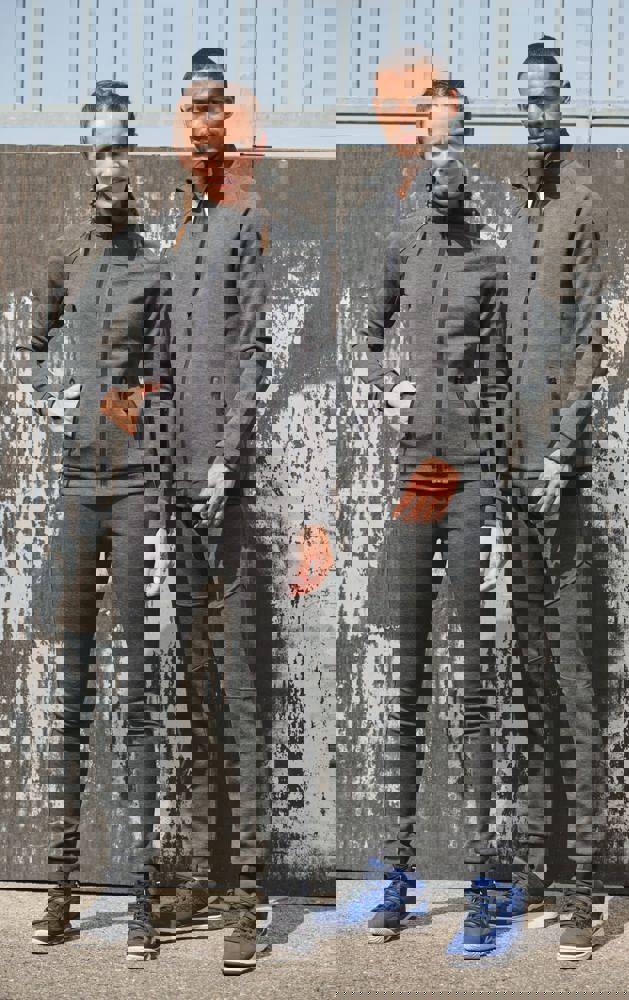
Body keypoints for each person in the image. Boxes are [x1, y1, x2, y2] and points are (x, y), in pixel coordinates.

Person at [361, 76, 508, 955]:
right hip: (417, 478)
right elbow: (368, 337)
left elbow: (514, 378)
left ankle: (487, 883)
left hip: (473, 477)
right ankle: (397, 879)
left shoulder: (492, 263)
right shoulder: (399, 246)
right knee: (407, 677)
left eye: (457, 139)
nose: (443, 157)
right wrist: (385, 393)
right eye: (433, 138)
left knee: (474, 679)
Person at [23, 81, 164, 961]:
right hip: (76, 495)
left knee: (139, 692)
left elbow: (178, 373)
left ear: (132, 160)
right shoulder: (64, 258)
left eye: (121, 151)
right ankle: (64, 885)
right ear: (86, 159)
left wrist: (127, 407)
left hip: (139, 492)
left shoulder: (156, 262)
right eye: (98, 151)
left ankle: (143, 894)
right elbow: (32, 350)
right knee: (71, 692)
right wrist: (52, 399)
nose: (110, 168)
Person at [148, 48, 272, 977]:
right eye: (190, 113)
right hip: (174, 488)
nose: (200, 128)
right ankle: (200, 870)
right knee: (188, 690)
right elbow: (157, 361)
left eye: (212, 113)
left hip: (228, 496)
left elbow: (257, 349)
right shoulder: (180, 226)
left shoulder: (246, 221)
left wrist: (227, 457)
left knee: (237, 690)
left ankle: (247, 896)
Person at [499, 36, 607, 963]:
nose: (534, 115)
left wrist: (559, 453)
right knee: (526, 679)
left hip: (561, 485)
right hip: (512, 475)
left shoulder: (583, 201)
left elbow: (595, 341)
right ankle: (543, 868)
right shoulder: (512, 209)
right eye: (523, 100)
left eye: (546, 100)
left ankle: (582, 892)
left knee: (571, 683)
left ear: (561, 107)